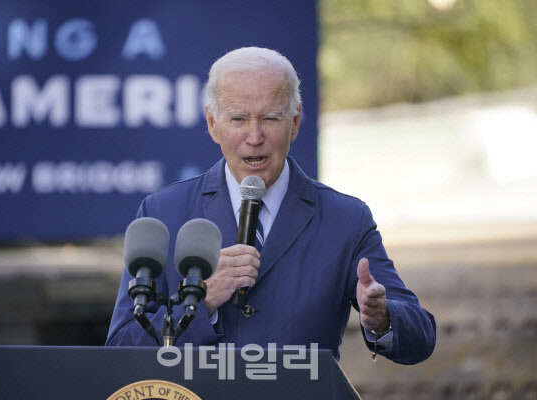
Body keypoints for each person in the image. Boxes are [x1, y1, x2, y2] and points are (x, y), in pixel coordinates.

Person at [106, 47, 436, 364]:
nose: (255, 136)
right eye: (238, 119)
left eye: (270, 118)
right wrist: (201, 301)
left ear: (294, 122)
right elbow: (121, 349)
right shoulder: (164, 212)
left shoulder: (346, 219)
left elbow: (420, 339)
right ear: (212, 124)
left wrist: (383, 318)